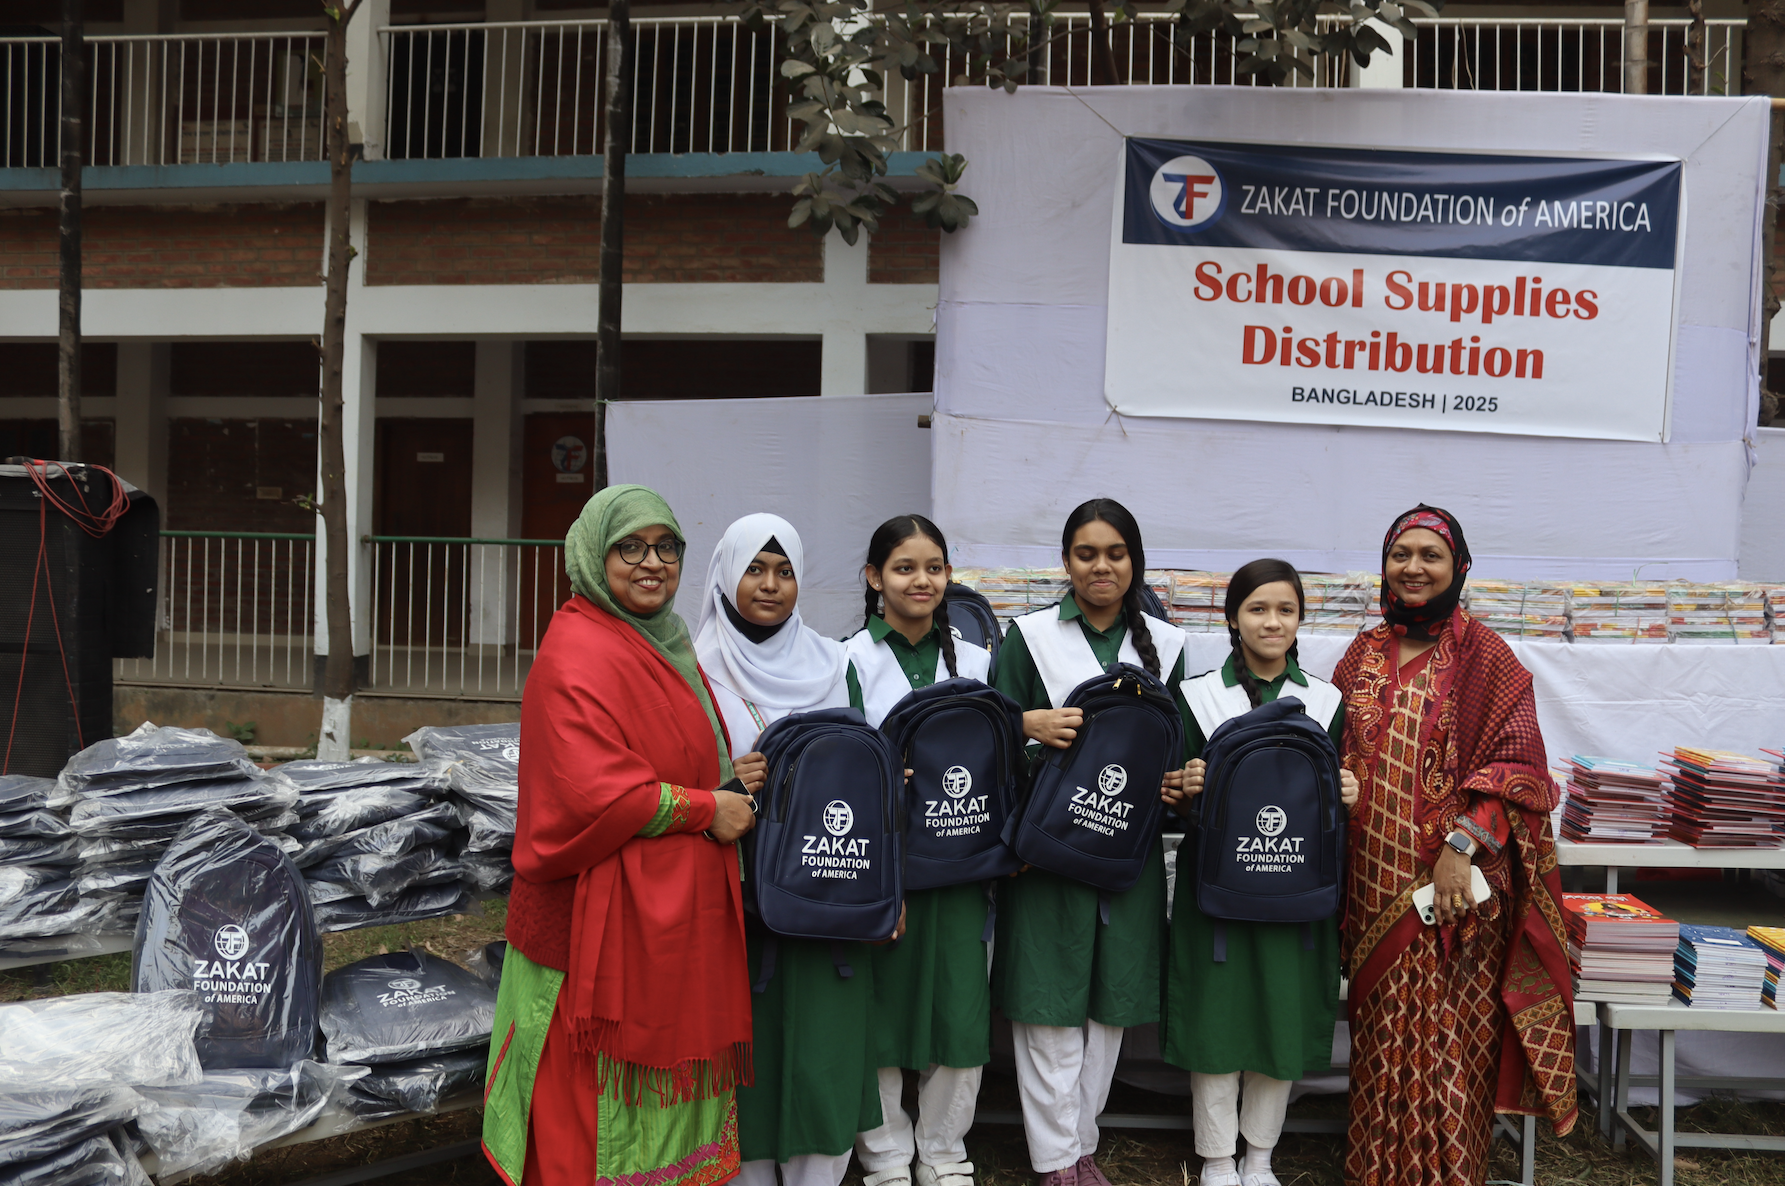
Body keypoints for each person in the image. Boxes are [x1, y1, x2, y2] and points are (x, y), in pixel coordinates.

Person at [482, 485, 766, 1186]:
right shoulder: (577, 647)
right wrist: (707, 808)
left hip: (671, 914)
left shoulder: (662, 639)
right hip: (586, 925)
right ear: (591, 557)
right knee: (587, 1105)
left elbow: (676, 748)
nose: (652, 563)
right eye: (629, 548)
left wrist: (727, 776)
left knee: (665, 1073)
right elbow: (593, 790)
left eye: (666, 547)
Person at [1332, 505, 1576, 1186]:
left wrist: (1459, 847)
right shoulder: (1361, 653)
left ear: (1457, 567)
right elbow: (1328, 747)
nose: (1412, 568)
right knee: (1381, 1046)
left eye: (1428, 556)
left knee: (1447, 1050)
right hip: (1371, 885)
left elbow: (1518, 770)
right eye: (1399, 554)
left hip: (1449, 896)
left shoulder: (1485, 657)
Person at [989, 498, 1188, 1186]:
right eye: (1085, 553)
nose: (1100, 566)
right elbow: (988, 738)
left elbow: (1177, 750)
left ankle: (1080, 1148)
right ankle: (1055, 1162)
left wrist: (1176, 783)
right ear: (1065, 561)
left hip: (1124, 855)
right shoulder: (1028, 636)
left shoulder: (1169, 643)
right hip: (1045, 852)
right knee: (1048, 1001)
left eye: (1114, 553)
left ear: (1134, 561)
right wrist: (1026, 725)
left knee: (1109, 1005)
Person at [693, 513, 883, 1186]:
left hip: (832, 892)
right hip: (734, 898)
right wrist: (723, 781)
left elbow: (874, 771)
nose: (770, 586)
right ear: (724, 574)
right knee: (749, 1045)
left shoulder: (836, 665)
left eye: (784, 572)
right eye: (754, 569)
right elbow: (676, 776)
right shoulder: (693, 672)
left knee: (824, 1046)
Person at [1160, 559, 1359, 1186]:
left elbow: (1326, 809)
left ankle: (1261, 1157)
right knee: (1215, 1019)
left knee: (1282, 1014)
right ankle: (1217, 1157)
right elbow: (1170, 796)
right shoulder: (1195, 694)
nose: (1271, 622)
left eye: (1285, 610)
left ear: (1300, 618)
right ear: (1232, 618)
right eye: (1257, 609)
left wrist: (1346, 789)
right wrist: (1182, 785)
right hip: (1215, 888)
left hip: (1295, 888)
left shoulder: (1327, 700)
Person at [846, 515, 993, 1186]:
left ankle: (942, 1152)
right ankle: (885, 1157)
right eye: (904, 567)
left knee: (959, 1015)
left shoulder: (979, 660)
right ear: (875, 578)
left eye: (934, 567)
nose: (921, 580)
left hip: (962, 867)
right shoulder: (844, 659)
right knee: (878, 1013)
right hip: (883, 868)